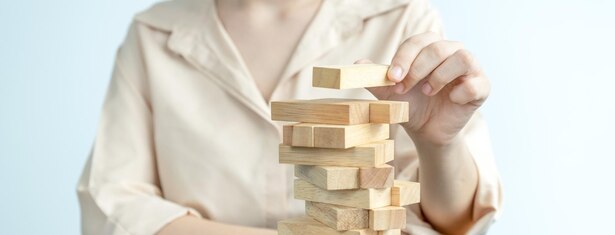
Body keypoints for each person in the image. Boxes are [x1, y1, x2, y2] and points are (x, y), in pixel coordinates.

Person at [77, 0, 502, 234]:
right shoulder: (153, 33)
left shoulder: (402, 17)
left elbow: (454, 223)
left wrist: (438, 144)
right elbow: (112, 205)